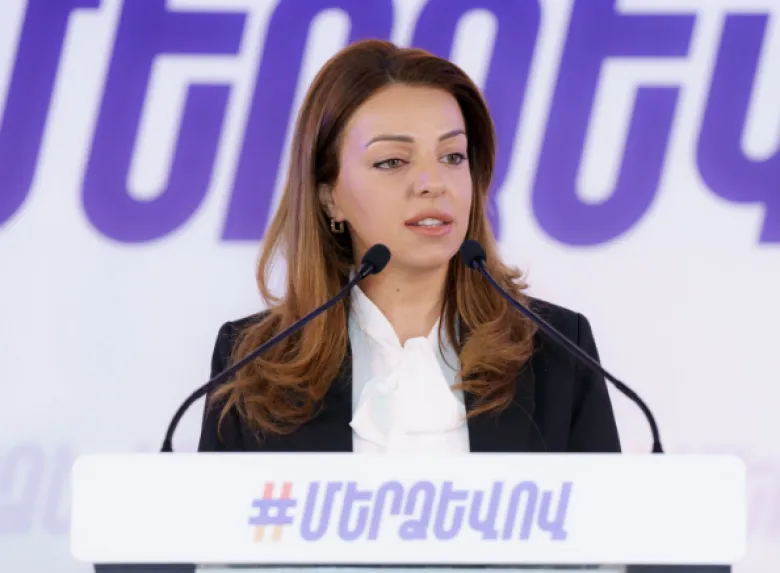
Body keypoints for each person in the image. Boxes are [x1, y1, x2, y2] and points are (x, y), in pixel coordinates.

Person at [197, 39, 621, 454]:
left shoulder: (559, 351)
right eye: (392, 161)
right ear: (329, 197)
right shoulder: (253, 362)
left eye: (452, 156)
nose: (433, 183)